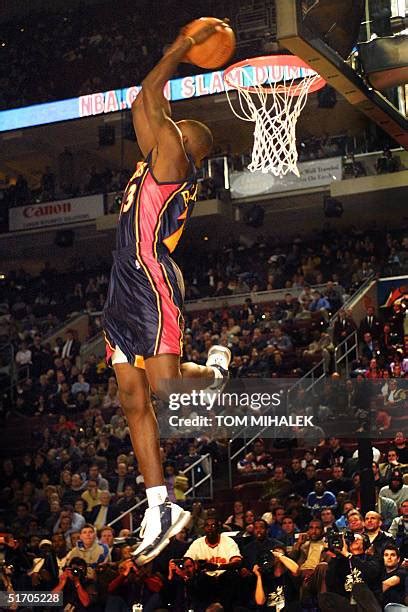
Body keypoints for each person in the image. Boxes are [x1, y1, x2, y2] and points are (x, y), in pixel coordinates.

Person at [101, 20, 231, 566]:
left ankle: (216, 375)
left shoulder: (175, 158)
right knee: (133, 401)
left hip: (151, 278)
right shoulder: (155, 156)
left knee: (170, 393)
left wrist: (178, 49)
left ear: (184, 143)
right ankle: (160, 505)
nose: (159, 127)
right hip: (121, 285)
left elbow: (149, 97)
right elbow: (141, 105)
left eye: (172, 128)